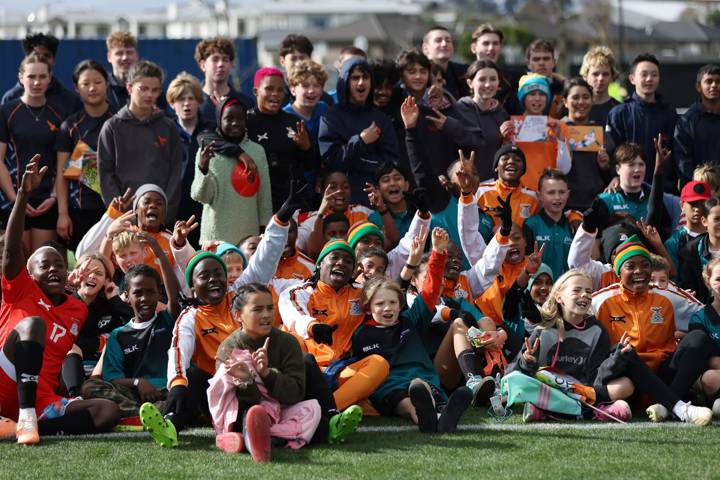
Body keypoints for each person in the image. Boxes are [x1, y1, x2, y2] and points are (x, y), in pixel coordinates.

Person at [0, 158, 120, 445]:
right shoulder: (19, 288)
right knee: (33, 325)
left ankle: (20, 427)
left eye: (59, 265)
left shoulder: (77, 309)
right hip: (4, 380)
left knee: (108, 411)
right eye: (45, 265)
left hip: (41, 397)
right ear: (30, 273)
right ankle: (25, 419)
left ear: (68, 273)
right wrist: (24, 195)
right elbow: (12, 248)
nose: (54, 268)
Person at [164, 190, 298, 432]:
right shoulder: (190, 317)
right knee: (190, 377)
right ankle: (171, 422)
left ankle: (324, 417)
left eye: (219, 274)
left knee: (302, 363)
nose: (215, 280)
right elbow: (178, 351)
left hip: (254, 380)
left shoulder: (239, 296)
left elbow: (264, 259)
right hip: (217, 388)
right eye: (206, 276)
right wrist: (176, 383)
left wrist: (281, 219)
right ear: (193, 287)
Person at [210, 283, 362, 461]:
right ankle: (254, 437)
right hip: (248, 413)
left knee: (319, 421)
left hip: (285, 409)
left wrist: (267, 374)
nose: (266, 315)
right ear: (238, 315)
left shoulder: (287, 342)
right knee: (250, 417)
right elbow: (231, 404)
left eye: (269, 308)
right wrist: (247, 382)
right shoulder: (229, 348)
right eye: (258, 309)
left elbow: (295, 394)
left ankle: (252, 440)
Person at [352, 228, 473, 433]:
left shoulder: (410, 319)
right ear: (368, 307)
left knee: (421, 387)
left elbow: (431, 290)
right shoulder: (360, 334)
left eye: (392, 302)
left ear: (400, 305)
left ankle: (435, 416)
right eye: (380, 304)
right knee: (404, 399)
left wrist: (437, 253)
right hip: (389, 387)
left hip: (423, 379)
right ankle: (432, 415)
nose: (387, 308)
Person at [592, 237, 713, 425]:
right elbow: (570, 312)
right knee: (624, 350)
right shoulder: (601, 300)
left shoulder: (667, 296)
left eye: (644, 265)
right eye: (630, 266)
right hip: (629, 379)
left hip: (664, 375)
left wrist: (682, 334)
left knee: (698, 338)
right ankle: (679, 407)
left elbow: (708, 314)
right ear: (618, 272)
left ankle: (666, 406)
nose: (639, 271)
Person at [279, 240, 390, 413]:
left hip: (341, 370)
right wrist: (313, 327)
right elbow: (292, 315)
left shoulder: (361, 293)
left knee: (379, 364)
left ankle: (329, 408)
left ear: (353, 270)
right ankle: (347, 402)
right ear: (319, 264)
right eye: (335, 257)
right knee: (287, 335)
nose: (341, 263)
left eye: (347, 261)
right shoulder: (299, 291)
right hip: (307, 372)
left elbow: (391, 300)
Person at [508, 270, 633, 422]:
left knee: (626, 385)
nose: (585, 295)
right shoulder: (544, 329)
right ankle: (595, 412)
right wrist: (527, 360)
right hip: (547, 388)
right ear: (559, 297)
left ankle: (544, 412)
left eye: (588, 291)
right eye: (577, 290)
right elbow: (517, 370)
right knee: (515, 380)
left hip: (581, 391)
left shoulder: (598, 331)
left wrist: (617, 358)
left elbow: (597, 376)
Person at [81, 251, 180, 422]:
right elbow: (113, 378)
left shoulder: (169, 320)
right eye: (138, 293)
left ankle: (152, 413)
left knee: (186, 391)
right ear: (127, 296)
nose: (144, 298)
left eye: (151, 292)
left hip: (169, 389)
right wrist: (137, 382)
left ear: (159, 294)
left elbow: (174, 297)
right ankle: (142, 414)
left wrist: (161, 255)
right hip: (135, 394)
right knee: (90, 386)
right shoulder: (119, 335)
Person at [97, 60, 183, 222]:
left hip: (159, 220)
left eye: (155, 90)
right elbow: (105, 177)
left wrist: (165, 214)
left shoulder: (168, 127)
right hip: (124, 220)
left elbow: (174, 174)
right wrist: (119, 215)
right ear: (129, 88)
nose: (149, 95)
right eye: (143, 89)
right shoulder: (111, 128)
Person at [0, 53, 64, 253]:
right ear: (21, 77)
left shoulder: (60, 113)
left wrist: (54, 196)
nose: (37, 82)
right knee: (15, 265)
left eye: (42, 77)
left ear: (50, 78)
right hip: (14, 200)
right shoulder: (6, 111)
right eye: (31, 76)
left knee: (41, 264)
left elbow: (65, 162)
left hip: (47, 200)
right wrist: (15, 198)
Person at [318, 58, 402, 206]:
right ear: (345, 82)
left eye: (366, 77)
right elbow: (331, 160)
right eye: (355, 78)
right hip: (340, 202)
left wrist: (356, 159)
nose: (361, 83)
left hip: (375, 202)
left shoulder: (380, 118)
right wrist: (361, 141)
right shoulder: (330, 117)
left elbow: (390, 163)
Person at [193, 96, 272, 245]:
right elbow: (201, 196)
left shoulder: (257, 151)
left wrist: (265, 228)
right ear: (219, 120)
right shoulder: (207, 151)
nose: (235, 123)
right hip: (215, 238)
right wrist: (203, 169)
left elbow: (264, 195)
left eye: (240, 118)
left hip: (249, 237)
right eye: (229, 118)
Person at [55, 60, 114, 251]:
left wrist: (82, 164)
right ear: (76, 88)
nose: (92, 88)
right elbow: (61, 174)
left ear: (107, 83)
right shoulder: (69, 126)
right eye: (85, 83)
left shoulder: (120, 119)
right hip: (80, 211)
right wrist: (63, 214)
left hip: (115, 209)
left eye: (97, 82)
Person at [61, 253, 133, 397]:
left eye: (99, 273)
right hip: (66, 368)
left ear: (106, 280)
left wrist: (115, 300)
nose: (92, 276)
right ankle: (76, 398)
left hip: (101, 369)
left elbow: (135, 324)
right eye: (88, 271)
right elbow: (68, 341)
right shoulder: (64, 300)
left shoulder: (108, 306)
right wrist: (99, 343)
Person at [247, 67, 317, 211]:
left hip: (293, 204)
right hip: (259, 206)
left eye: (280, 90)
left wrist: (306, 148)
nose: (275, 94)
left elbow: (312, 165)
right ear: (256, 91)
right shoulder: (246, 122)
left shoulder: (293, 122)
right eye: (269, 88)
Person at [606, 53, 678, 189]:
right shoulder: (618, 113)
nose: (649, 79)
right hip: (627, 189)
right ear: (632, 78)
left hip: (663, 189)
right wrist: (615, 177)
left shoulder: (669, 114)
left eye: (654, 75)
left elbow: (675, 152)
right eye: (644, 74)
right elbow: (611, 152)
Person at [450, 59, 510, 181]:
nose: (488, 84)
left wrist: (506, 140)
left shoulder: (502, 113)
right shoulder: (458, 110)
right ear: (470, 83)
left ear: (499, 83)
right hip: (465, 185)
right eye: (482, 79)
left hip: (494, 186)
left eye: (493, 79)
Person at [511, 73, 571, 192]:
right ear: (523, 98)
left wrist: (560, 138)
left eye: (542, 94)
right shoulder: (513, 126)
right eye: (532, 94)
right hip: (519, 193)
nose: (537, 98)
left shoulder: (559, 126)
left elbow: (564, 169)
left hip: (549, 194)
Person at [561, 77, 613, 211]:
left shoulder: (601, 134)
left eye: (585, 97)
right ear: (565, 102)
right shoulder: (555, 131)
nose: (581, 102)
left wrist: (605, 167)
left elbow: (613, 175)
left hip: (595, 206)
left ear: (592, 100)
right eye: (575, 97)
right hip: (562, 205)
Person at [1, 33, 81, 119]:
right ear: (27, 59)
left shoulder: (69, 101)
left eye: (46, 56)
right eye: (36, 55)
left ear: (54, 60)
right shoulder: (11, 98)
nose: (41, 60)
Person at [166, 72, 205, 247]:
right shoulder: (165, 131)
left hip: (204, 209)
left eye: (191, 98)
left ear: (199, 101)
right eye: (181, 99)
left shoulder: (211, 131)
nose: (187, 103)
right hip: (174, 208)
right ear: (172, 104)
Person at [524, 169, 577, 278]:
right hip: (539, 291)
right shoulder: (530, 225)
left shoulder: (575, 225)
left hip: (567, 291)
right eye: (551, 192)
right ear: (539, 195)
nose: (557, 197)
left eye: (561, 192)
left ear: (568, 194)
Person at [194, 37, 253, 129]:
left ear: (231, 64)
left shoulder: (245, 103)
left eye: (225, 59)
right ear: (203, 65)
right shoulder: (193, 102)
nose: (221, 64)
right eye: (215, 59)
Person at [675, 64, 720, 184]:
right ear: (698, 86)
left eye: (718, 81)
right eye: (709, 81)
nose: (714, 85)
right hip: (698, 192)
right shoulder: (686, 122)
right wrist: (700, 185)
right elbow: (682, 161)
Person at [475, 145, 539, 228]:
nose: (511, 161)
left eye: (517, 160)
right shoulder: (480, 192)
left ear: (523, 169)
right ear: (496, 167)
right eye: (505, 158)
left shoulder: (533, 197)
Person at [104, 32, 169, 113]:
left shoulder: (154, 89)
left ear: (136, 55)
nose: (125, 58)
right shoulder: (102, 88)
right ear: (109, 57)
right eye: (119, 53)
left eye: (129, 52)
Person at [664, 180, 710, 277]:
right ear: (682, 205)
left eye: (702, 204)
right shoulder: (674, 242)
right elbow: (674, 280)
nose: (697, 209)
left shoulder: (715, 235)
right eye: (693, 204)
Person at [679, 197, 720, 303]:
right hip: (704, 311)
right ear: (704, 221)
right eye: (717, 219)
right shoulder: (691, 250)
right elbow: (688, 287)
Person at [283, 60, 329, 143]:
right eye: (305, 86)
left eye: (316, 85)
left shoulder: (324, 109)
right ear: (292, 89)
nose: (311, 91)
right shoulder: (284, 116)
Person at [421, 26, 468, 100]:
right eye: (438, 40)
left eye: (448, 40)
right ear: (425, 48)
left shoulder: (464, 71)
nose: (444, 44)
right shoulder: (416, 73)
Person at [579, 46, 621, 126]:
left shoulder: (620, 111)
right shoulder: (576, 109)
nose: (600, 78)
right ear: (585, 76)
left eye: (605, 74)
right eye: (595, 74)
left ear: (612, 76)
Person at [524, 40, 565, 118]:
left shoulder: (564, 90)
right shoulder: (516, 90)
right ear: (528, 64)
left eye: (546, 59)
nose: (541, 63)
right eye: (536, 59)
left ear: (554, 62)